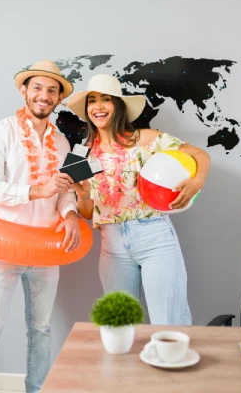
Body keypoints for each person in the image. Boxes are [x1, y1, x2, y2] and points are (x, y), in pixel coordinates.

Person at [0, 60, 82, 393]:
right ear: (24, 91)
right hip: (2, 250)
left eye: (52, 90)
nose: (44, 96)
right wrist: (37, 190)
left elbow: (64, 191)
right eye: (37, 88)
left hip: (46, 253)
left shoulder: (62, 143)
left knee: (42, 330)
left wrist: (71, 213)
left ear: (58, 98)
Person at [66, 73, 211, 326]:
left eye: (106, 99)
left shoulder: (145, 138)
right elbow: (87, 212)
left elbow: (200, 154)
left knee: (169, 323)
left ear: (118, 105)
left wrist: (197, 180)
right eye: (92, 101)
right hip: (111, 246)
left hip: (154, 237)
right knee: (119, 327)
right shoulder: (80, 154)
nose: (98, 107)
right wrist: (84, 194)